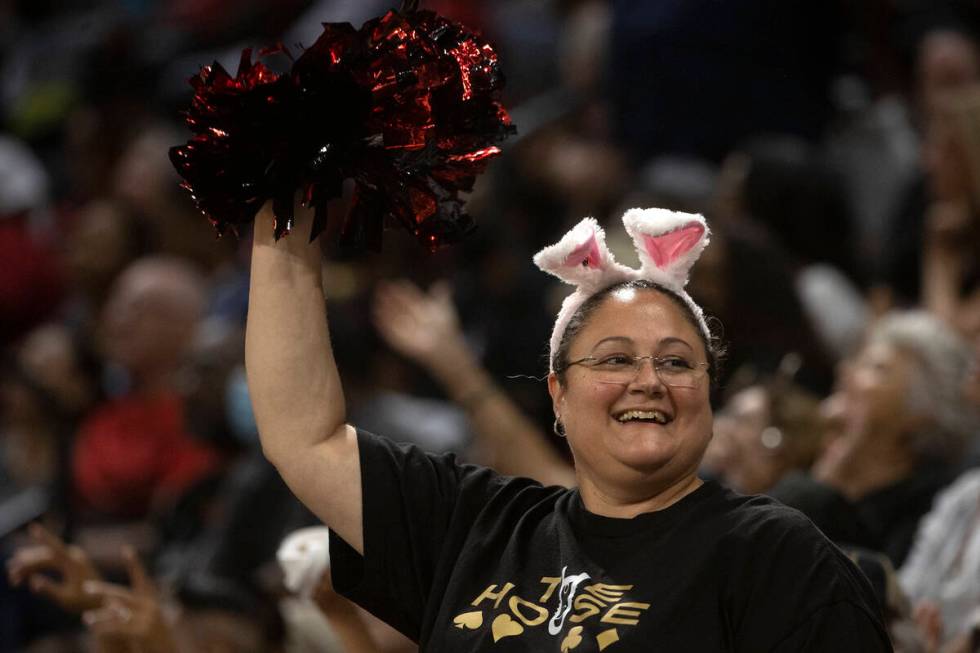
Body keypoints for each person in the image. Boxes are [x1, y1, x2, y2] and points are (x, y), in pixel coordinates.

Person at [248, 202, 891, 650]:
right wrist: (283, 221)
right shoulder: (476, 525)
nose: (648, 380)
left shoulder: (776, 555)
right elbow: (303, 437)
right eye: (615, 359)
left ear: (708, 391)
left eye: (676, 362)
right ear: (558, 394)